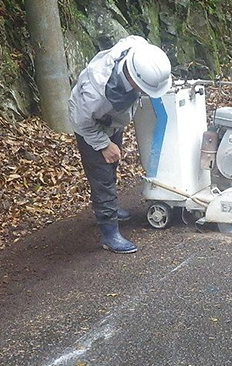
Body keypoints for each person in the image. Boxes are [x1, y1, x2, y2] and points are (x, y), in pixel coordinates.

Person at [68, 36, 172, 254]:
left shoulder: (138, 51)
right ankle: (109, 233)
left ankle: (110, 209)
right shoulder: (95, 94)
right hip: (91, 125)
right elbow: (80, 122)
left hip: (114, 118)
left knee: (112, 165)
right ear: (134, 79)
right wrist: (103, 144)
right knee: (102, 176)